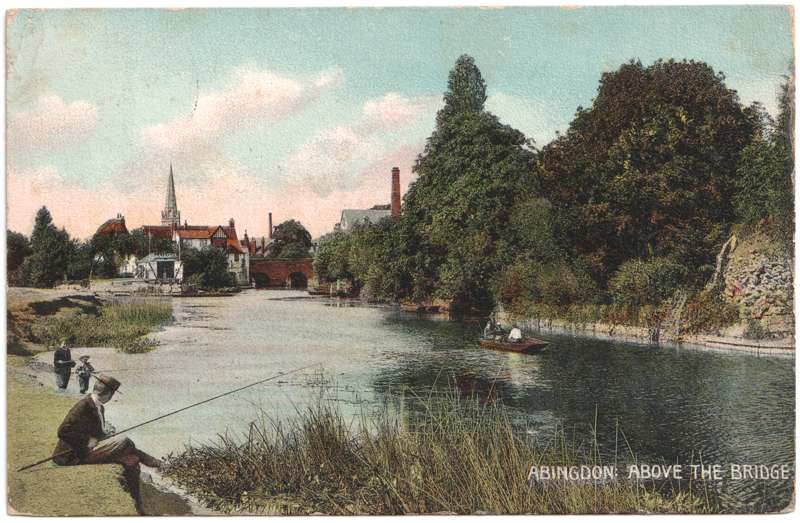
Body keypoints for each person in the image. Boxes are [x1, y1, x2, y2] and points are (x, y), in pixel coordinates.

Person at [52, 375, 162, 514]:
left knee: (132, 461)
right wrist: (87, 440)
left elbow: (96, 432)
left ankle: (138, 506)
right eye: (113, 394)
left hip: (87, 450)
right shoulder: (83, 405)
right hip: (72, 455)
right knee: (125, 442)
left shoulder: (99, 407)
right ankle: (154, 462)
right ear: (109, 394)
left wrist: (105, 437)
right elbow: (63, 431)